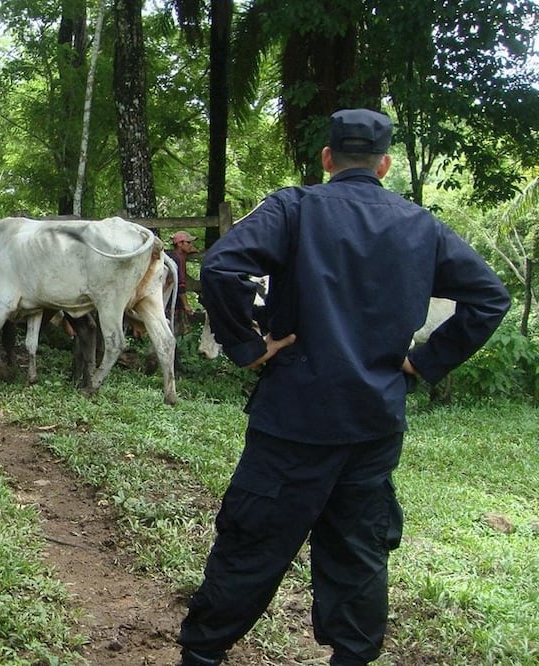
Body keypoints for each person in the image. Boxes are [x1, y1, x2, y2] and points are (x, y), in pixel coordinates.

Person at [177, 108, 510, 666]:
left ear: (327, 159)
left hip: (293, 420)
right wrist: (424, 362)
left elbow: (223, 267)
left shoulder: (294, 207)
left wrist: (250, 347)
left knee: (252, 544)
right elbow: (489, 298)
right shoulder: (419, 224)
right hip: (372, 424)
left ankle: (203, 657)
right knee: (358, 554)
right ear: (384, 164)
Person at [167, 230, 199, 317]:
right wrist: (186, 305)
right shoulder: (178, 258)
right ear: (179, 244)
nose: (191, 245)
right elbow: (180, 283)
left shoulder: (172, 256)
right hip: (172, 301)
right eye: (188, 243)